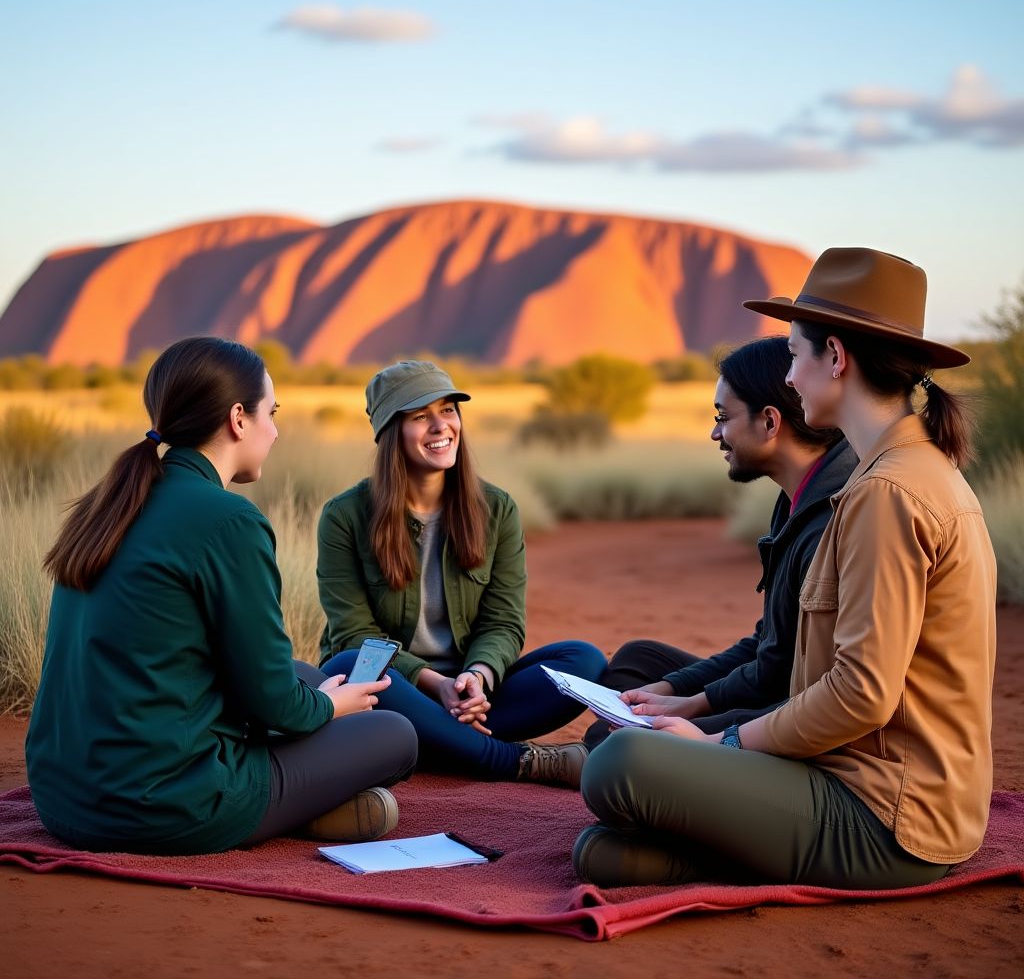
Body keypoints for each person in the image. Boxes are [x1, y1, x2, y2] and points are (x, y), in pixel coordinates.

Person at [574, 247, 997, 890]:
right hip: (859, 785)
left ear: (836, 357)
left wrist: (722, 747)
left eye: (796, 355)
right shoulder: (902, 473)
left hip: (884, 814)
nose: (792, 378)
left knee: (620, 764)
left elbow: (861, 694)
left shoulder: (888, 492)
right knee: (600, 851)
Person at [26, 337, 418, 855]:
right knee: (394, 734)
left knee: (307, 675)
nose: (275, 430)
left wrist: (315, 698)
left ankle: (312, 798)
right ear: (238, 418)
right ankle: (302, 812)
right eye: (270, 412)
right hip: (164, 805)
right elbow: (272, 700)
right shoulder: (230, 520)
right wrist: (326, 709)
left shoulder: (110, 502)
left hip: (63, 799)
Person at [317, 360, 607, 786]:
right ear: (389, 432)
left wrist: (476, 678)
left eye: (448, 410)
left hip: (474, 696)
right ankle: (507, 760)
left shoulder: (497, 508)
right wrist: (437, 685)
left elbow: (503, 623)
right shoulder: (345, 516)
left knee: (583, 661)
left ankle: (438, 743)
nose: (440, 426)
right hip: (394, 692)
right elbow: (354, 632)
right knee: (350, 661)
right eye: (420, 417)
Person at [583, 336, 858, 748]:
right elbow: (768, 641)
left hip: (792, 716)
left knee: (627, 742)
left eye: (723, 417)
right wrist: (675, 690)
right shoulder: (795, 500)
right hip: (773, 689)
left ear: (769, 422)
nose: (715, 433)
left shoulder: (829, 521)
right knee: (637, 663)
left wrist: (694, 706)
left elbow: (780, 675)